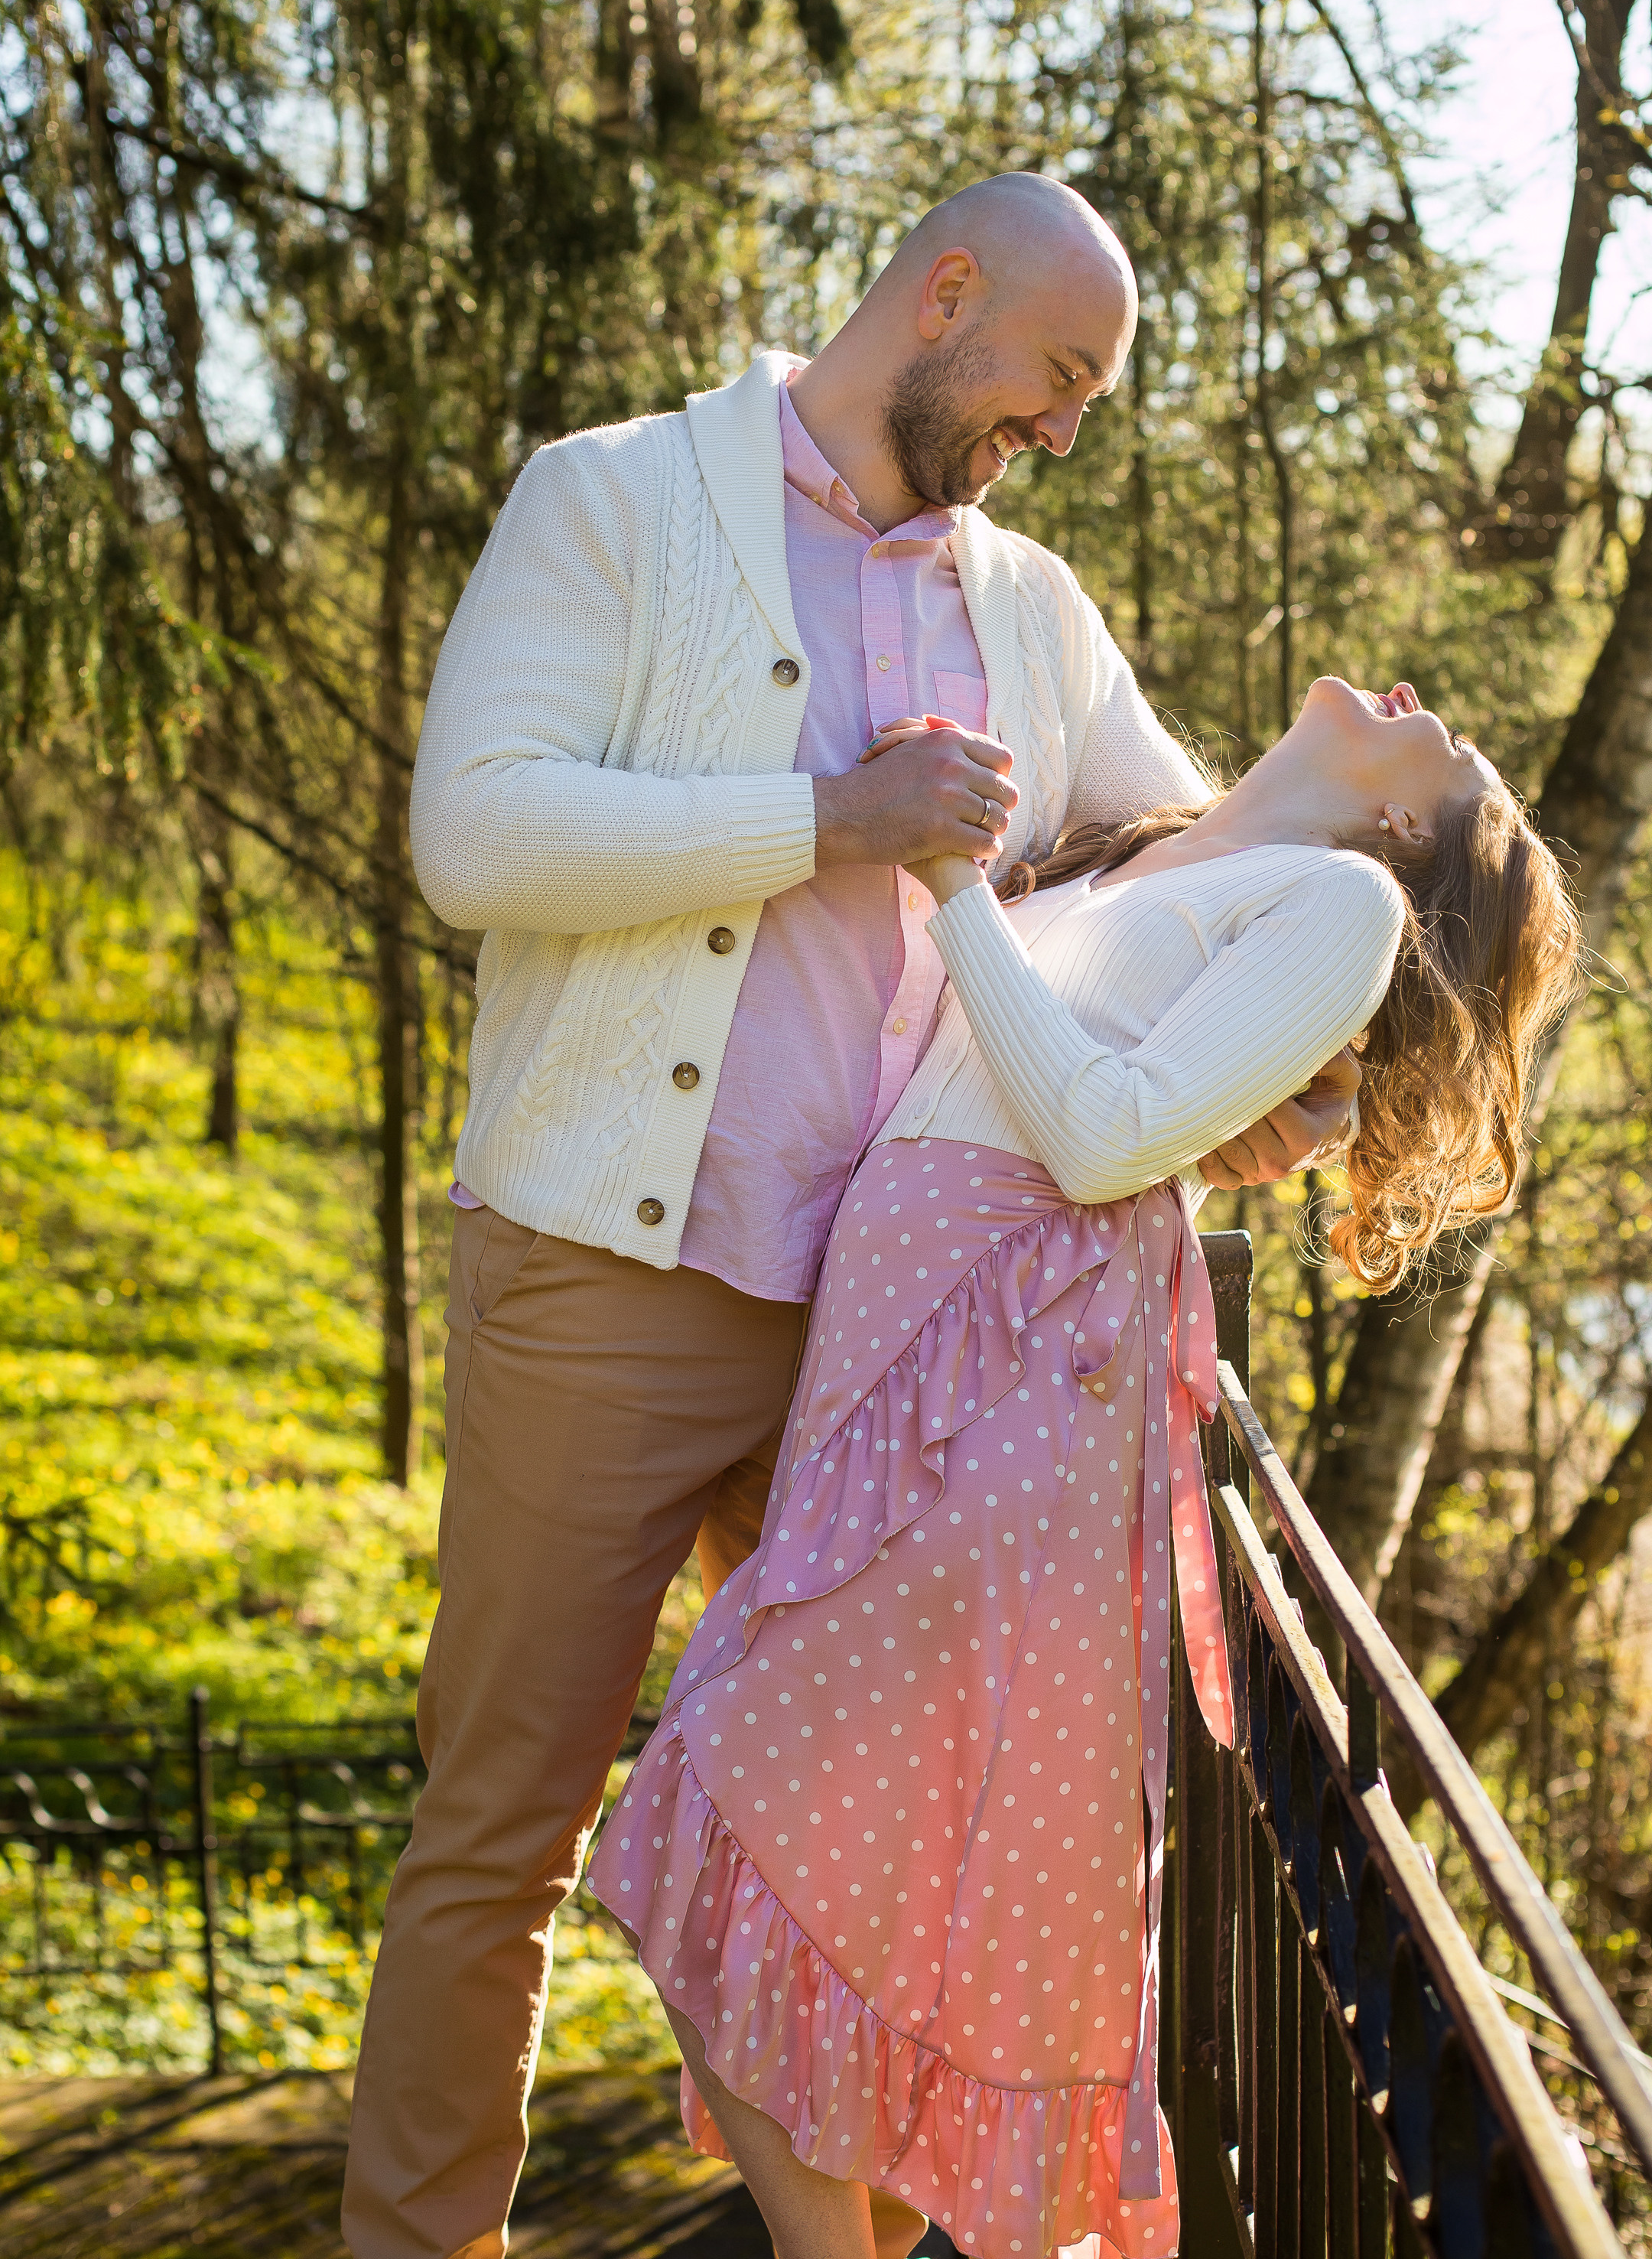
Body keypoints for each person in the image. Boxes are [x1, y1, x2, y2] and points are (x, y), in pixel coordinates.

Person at [343, 173, 1359, 2259]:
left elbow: (1176, 886)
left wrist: (1288, 1072)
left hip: (899, 1337)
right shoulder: (615, 500)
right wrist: (835, 819)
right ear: (946, 293)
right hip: (607, 1280)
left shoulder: (1041, 615)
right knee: (503, 1831)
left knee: (863, 1856)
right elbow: (477, 830)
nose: (1065, 427)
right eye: (1057, 377)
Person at [590, 675, 1583, 2259]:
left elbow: (1101, 1136)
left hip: (1018, 1377)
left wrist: (955, 887)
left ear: (1406, 825)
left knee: (719, 1793)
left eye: (1448, 747)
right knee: (820, 1860)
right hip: (909, 1359)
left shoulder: (1339, 904)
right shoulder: (1145, 856)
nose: (1420, 704)